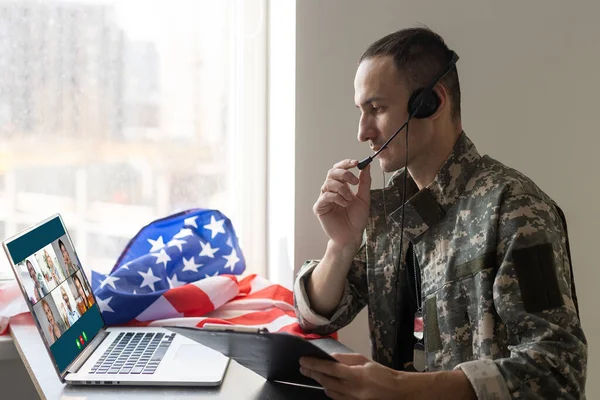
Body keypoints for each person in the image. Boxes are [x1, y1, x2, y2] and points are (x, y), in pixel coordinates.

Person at [293, 27, 587, 399]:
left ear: (431, 103)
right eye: (361, 111)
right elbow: (317, 317)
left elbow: (557, 371)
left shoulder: (515, 209)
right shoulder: (391, 213)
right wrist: (340, 244)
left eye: (377, 109)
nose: (363, 132)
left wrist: (401, 387)